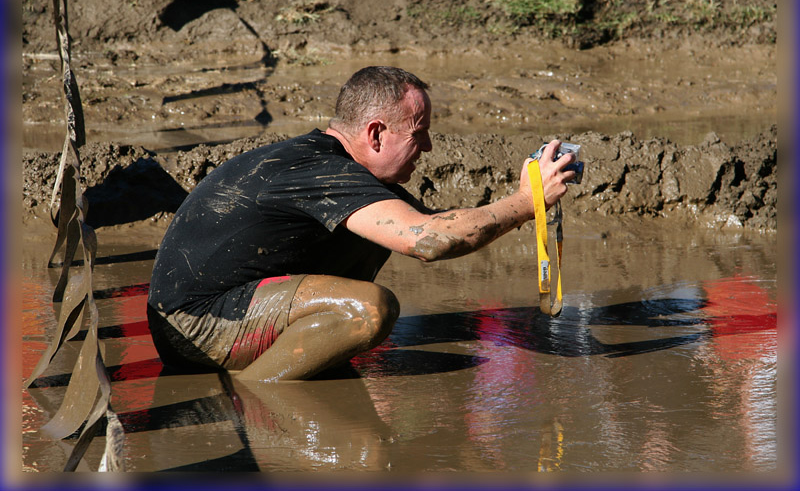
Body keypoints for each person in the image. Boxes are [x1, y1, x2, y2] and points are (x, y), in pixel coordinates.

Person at [147, 66, 576, 381]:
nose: (427, 145)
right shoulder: (321, 171)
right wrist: (526, 200)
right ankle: (254, 393)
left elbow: (432, 223)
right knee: (370, 308)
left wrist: (525, 199)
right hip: (195, 325)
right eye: (418, 133)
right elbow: (430, 240)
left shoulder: (339, 171)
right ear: (375, 134)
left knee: (374, 243)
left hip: (221, 310)